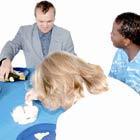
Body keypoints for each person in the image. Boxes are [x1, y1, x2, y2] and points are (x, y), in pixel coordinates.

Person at [25, 52, 139, 140]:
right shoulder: (111, 82)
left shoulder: (70, 121)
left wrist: (46, 91)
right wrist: (41, 90)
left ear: (54, 89)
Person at [0, 0, 75, 81]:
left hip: (58, 83)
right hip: (33, 82)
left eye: (49, 21)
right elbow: (11, 46)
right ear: (35, 18)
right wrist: (5, 60)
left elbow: (72, 60)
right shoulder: (24, 32)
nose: (45, 25)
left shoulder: (65, 35)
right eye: (41, 21)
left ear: (54, 18)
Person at [109, 12, 140, 94]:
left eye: (114, 34)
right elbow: (112, 81)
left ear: (126, 41)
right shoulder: (120, 54)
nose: (110, 34)